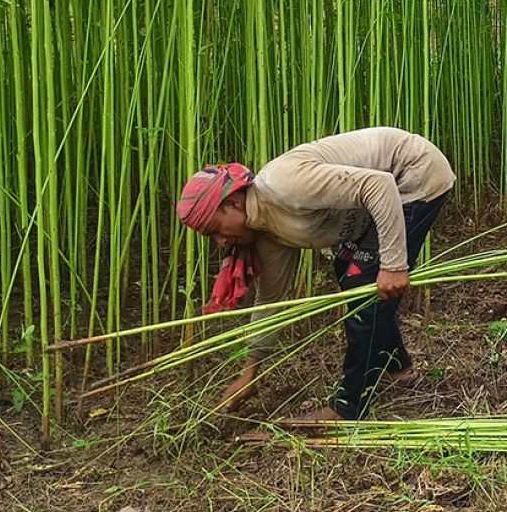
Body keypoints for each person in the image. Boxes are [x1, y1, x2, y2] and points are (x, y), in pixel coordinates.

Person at [175, 127, 454, 421]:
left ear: (232, 203)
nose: (221, 242)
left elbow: (380, 186)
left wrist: (393, 265)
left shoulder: (283, 185)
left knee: (364, 284)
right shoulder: (267, 231)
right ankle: (399, 368)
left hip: (413, 174)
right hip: (375, 206)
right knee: (349, 272)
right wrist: (251, 372)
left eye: (216, 230)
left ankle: (349, 407)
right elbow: (271, 300)